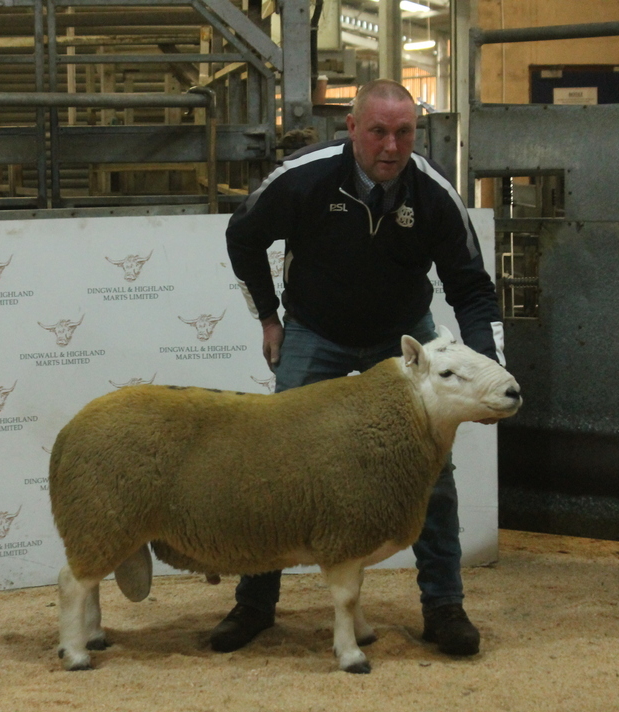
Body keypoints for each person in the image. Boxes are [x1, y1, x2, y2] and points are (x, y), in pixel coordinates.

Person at [219, 79, 506, 657]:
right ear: (350, 128)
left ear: (415, 134)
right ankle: (254, 602)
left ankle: (443, 605)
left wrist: (491, 366)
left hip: (402, 342)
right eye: (377, 131)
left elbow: (472, 289)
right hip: (314, 330)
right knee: (275, 462)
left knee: (431, 471)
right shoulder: (305, 177)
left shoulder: (433, 194)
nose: (391, 147)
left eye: (404, 133)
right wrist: (269, 316)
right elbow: (242, 234)